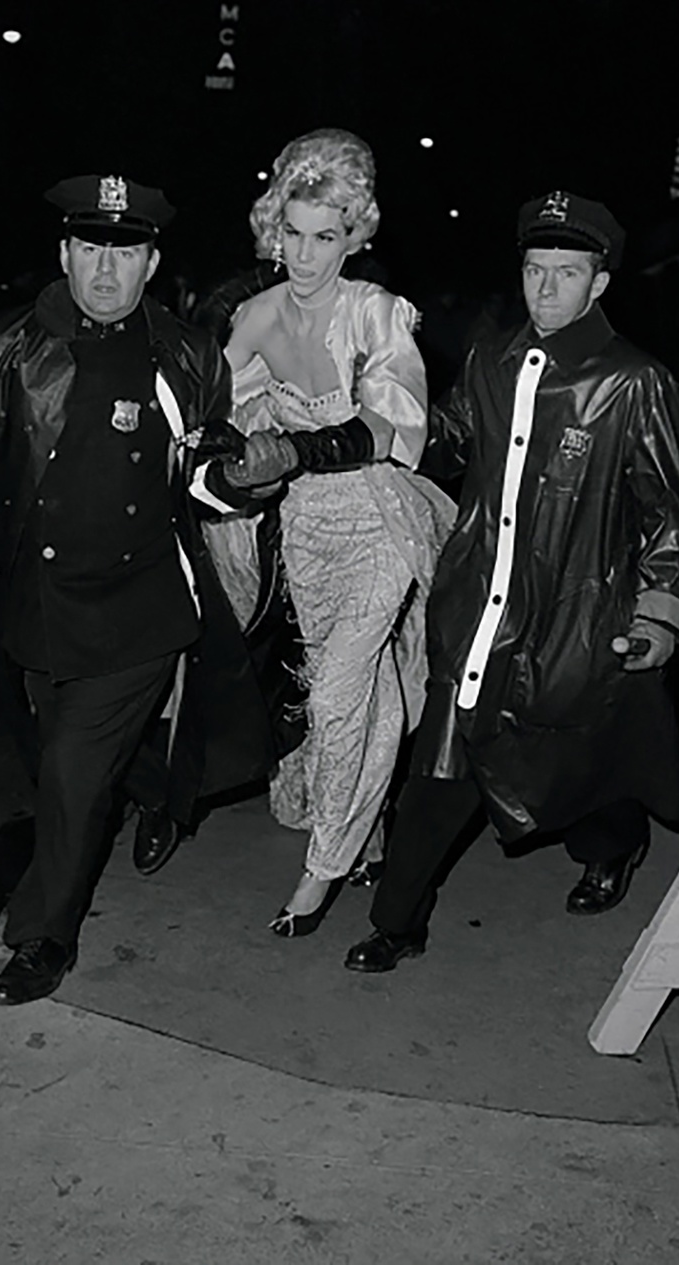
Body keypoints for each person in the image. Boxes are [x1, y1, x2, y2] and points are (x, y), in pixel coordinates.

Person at [0, 173, 272, 1004]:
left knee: (70, 774)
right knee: (58, 762)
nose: (106, 269)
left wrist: (244, 478)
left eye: (125, 251)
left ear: (151, 260)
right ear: (64, 252)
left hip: (141, 606)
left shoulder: (186, 353)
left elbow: (201, 481)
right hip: (32, 604)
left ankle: (40, 938)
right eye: (92, 249)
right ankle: (163, 790)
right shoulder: (1, 344)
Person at [345, 190, 679, 974]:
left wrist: (659, 617)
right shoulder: (491, 359)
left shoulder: (635, 383)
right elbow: (446, 437)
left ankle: (616, 844)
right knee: (441, 769)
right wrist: (368, 415)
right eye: (535, 270)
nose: (545, 290)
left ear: (599, 282)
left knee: (573, 771)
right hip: (477, 610)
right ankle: (397, 921)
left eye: (566, 273)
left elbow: (671, 518)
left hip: (574, 622)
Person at [206, 128, 455, 937]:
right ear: (272, 228)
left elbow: (399, 426)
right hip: (308, 528)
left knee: (343, 692)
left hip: (380, 518)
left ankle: (321, 870)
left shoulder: (376, 312)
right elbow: (223, 418)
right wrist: (237, 453)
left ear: (356, 235)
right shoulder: (252, 316)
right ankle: (371, 827)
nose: (308, 255)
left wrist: (308, 441)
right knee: (362, 696)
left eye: (328, 236)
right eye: (294, 233)